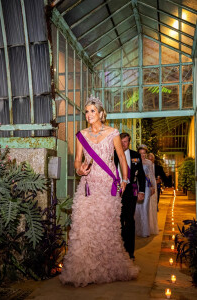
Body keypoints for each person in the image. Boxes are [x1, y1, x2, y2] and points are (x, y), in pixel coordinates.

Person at [59, 96, 139, 287]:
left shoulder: (113, 133)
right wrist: (79, 169)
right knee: (84, 227)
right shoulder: (81, 135)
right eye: (86, 111)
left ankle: (107, 267)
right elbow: (77, 160)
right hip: (88, 186)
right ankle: (83, 269)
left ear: (101, 114)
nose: (88, 115)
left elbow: (121, 157)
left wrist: (125, 179)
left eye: (92, 111)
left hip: (107, 185)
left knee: (106, 226)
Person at [114, 133, 145, 259]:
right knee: (117, 220)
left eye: (125, 141)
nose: (123, 144)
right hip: (115, 190)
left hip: (130, 190)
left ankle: (130, 251)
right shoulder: (112, 154)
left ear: (129, 142)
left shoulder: (135, 156)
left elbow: (141, 175)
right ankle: (118, 250)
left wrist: (141, 191)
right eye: (121, 141)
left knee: (129, 220)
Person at [134, 145, 155, 237]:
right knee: (137, 208)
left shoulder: (149, 163)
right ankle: (137, 230)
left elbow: (151, 175)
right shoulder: (134, 161)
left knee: (144, 207)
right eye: (140, 153)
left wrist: (153, 187)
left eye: (144, 153)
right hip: (137, 186)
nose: (142, 155)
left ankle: (145, 231)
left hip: (146, 187)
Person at [147, 153, 159, 235]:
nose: (150, 160)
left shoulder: (154, 166)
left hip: (153, 186)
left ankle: (152, 225)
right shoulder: (145, 165)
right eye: (149, 159)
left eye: (152, 159)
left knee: (153, 205)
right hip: (146, 186)